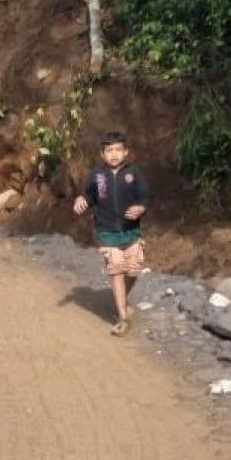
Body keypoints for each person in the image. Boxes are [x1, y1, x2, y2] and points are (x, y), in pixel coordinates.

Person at [74, 131, 151, 336]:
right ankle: (122, 317)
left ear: (126, 152)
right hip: (107, 232)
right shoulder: (97, 176)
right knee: (117, 271)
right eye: (109, 151)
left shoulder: (134, 173)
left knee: (133, 270)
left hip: (131, 231)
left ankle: (122, 299)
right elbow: (88, 196)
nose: (114, 154)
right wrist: (80, 200)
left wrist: (141, 208)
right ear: (102, 154)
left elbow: (144, 196)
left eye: (118, 150)